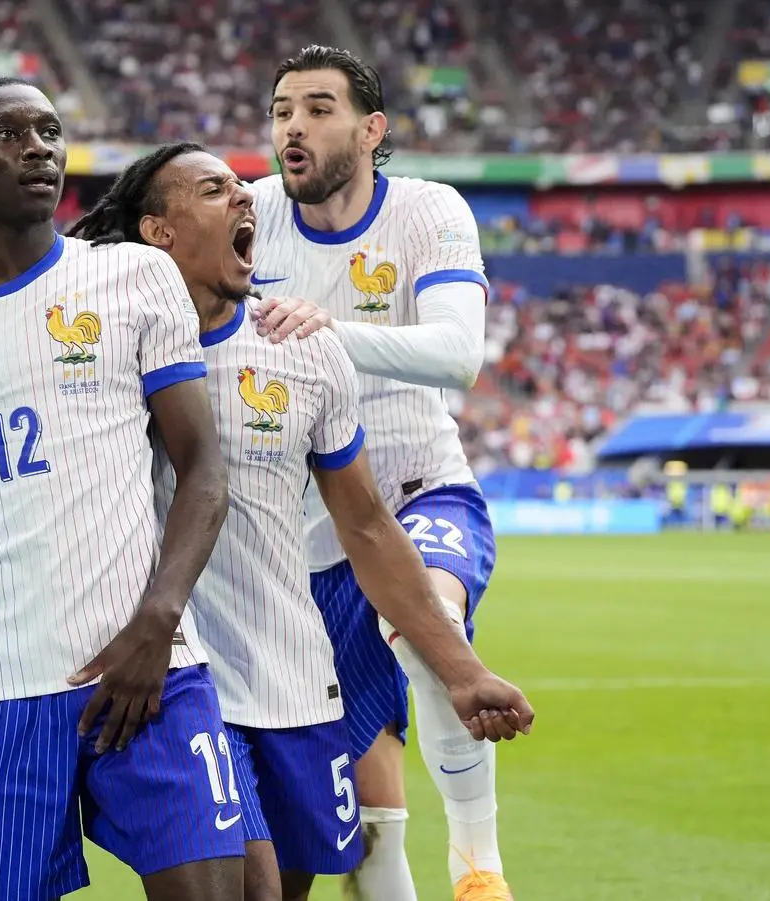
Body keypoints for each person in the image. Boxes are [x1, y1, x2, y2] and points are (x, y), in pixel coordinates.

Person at [0, 142, 535, 901]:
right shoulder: (94, 343)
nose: (246, 200)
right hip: (166, 683)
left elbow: (367, 527)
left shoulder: (300, 351)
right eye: (215, 190)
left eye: (242, 187)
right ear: (160, 232)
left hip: (281, 682)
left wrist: (461, 673)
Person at [0, 77, 245, 901]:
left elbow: (204, 463)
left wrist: (157, 619)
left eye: (51, 131)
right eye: (9, 132)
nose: (38, 147)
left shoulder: (134, 278)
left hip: (153, 670)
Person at [247, 45, 516, 900]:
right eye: (283, 109)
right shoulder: (247, 214)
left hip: (418, 487)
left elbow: (456, 352)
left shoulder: (430, 212)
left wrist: (320, 329)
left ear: (371, 129)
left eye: (318, 108)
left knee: (428, 616)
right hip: (301, 538)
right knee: (362, 811)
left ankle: (477, 860)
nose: (295, 125)